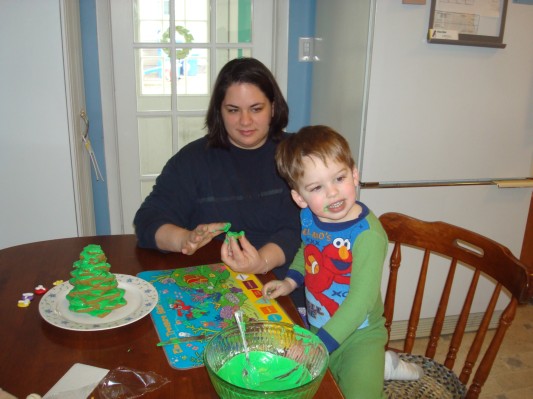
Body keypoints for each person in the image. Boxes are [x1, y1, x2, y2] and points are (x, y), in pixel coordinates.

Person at [262, 126, 422, 398]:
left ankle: (377, 361)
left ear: (355, 175)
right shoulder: (310, 218)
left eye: (339, 178)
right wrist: (290, 281)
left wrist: (318, 344)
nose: (333, 193)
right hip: (319, 327)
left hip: (361, 336)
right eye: (317, 187)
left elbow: (360, 302)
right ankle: (381, 366)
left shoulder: (368, 236)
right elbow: (308, 251)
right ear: (300, 198)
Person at [133, 57, 305, 307]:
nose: (245, 121)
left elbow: (303, 228)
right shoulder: (192, 160)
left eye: (256, 109)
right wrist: (185, 239)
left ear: (274, 108)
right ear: (219, 112)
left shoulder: (300, 154)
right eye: (233, 110)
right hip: (212, 294)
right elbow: (147, 221)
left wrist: (261, 262)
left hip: (285, 288)